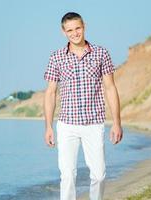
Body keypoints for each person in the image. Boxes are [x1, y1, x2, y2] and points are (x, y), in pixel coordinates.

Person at [43, 12, 123, 200]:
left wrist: (117, 122)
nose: (75, 33)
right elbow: (50, 93)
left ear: (84, 26)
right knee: (68, 175)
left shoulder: (101, 53)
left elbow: (110, 88)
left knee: (99, 175)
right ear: (63, 32)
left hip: (94, 123)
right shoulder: (56, 57)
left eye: (77, 28)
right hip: (67, 125)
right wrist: (47, 126)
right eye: (70, 30)